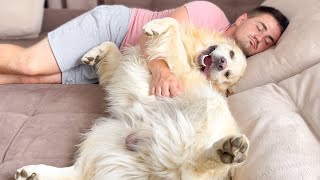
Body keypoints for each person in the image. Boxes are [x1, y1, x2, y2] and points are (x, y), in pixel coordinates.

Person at [0, 1, 289, 97]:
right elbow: (151, 35)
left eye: (268, 42)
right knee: (28, 64)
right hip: (117, 29)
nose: (259, 40)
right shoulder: (209, 13)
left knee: (30, 79)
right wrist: (162, 73)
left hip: (114, 66)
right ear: (242, 20)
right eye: (259, 29)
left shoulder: (228, 73)